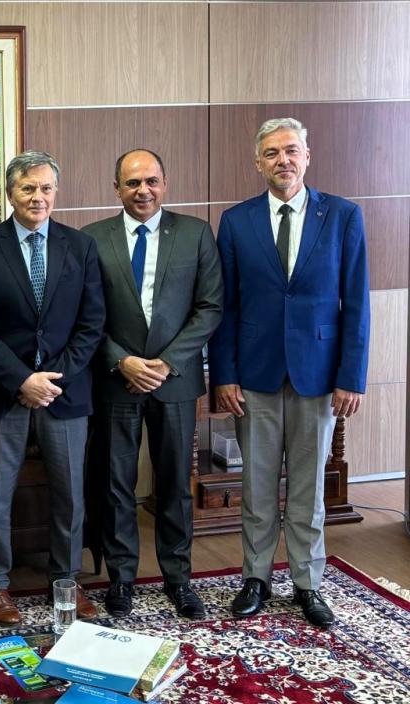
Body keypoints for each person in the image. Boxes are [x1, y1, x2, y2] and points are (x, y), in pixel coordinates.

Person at [208, 118, 370, 629]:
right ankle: (256, 578)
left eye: (292, 150)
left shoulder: (342, 216)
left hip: (318, 375)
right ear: (258, 162)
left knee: (308, 488)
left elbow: (356, 305)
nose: (283, 160)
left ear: (307, 156)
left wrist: (352, 376)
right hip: (253, 376)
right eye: (273, 153)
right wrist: (224, 374)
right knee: (255, 486)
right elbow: (225, 306)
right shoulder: (236, 222)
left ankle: (307, 582)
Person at [0, 151, 105, 626]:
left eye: (45, 188)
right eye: (27, 189)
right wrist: (22, 379)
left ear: (56, 193)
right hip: (5, 392)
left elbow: (91, 323)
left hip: (65, 393)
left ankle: (66, 580)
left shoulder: (80, 247)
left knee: (70, 492)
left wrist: (51, 381)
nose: (37, 197)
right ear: (10, 193)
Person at [82, 149, 223, 620]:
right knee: (116, 485)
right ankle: (121, 579)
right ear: (116, 187)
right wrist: (122, 361)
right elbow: (83, 318)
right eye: (133, 182)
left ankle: (178, 579)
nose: (144, 190)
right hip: (116, 382)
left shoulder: (195, 233)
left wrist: (165, 362)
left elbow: (209, 308)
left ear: (165, 183)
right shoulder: (92, 240)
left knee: (175, 485)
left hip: (175, 381)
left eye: (152, 181)